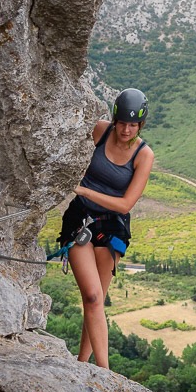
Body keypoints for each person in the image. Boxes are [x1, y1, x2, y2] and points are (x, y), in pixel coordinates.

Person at [57, 88, 154, 369]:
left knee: (96, 299)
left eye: (132, 125)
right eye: (122, 123)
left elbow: (125, 204)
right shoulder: (99, 131)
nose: (125, 130)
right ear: (114, 120)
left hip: (112, 227)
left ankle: (83, 363)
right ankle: (104, 371)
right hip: (80, 219)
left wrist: (82, 189)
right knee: (92, 295)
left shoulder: (143, 154)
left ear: (141, 125)